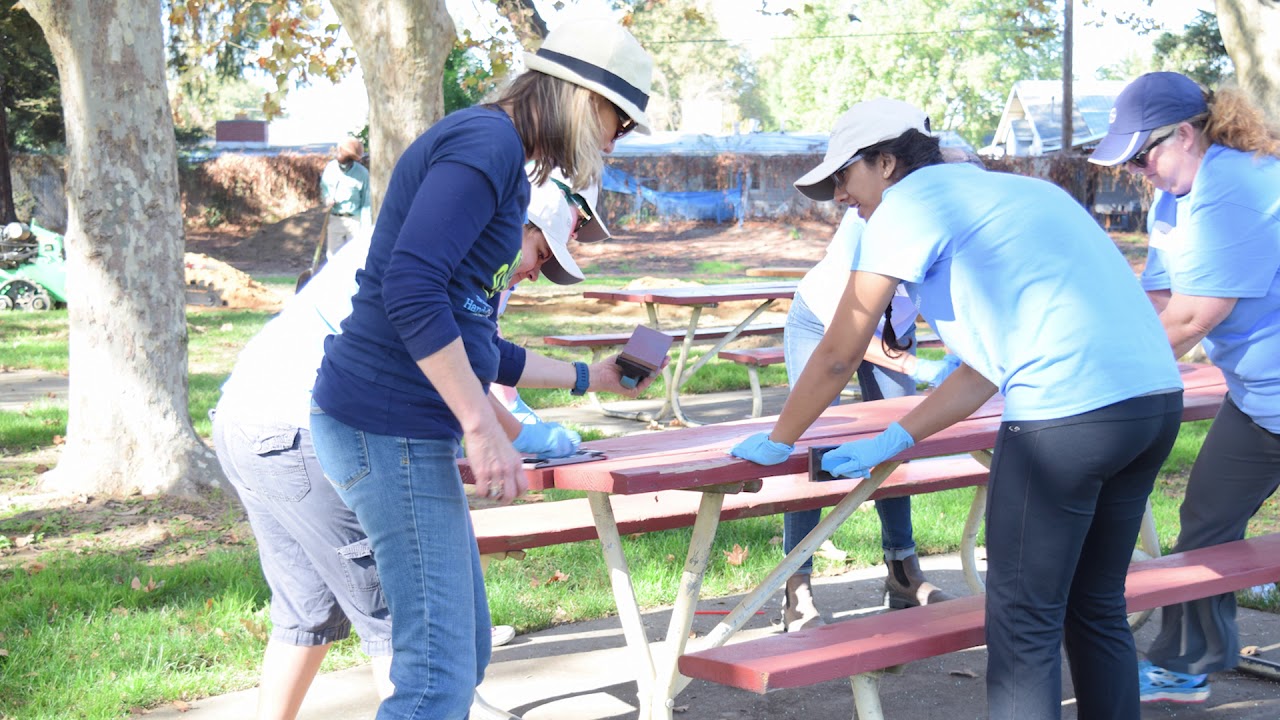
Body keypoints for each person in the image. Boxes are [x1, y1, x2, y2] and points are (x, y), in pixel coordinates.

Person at [730, 97, 1184, 719]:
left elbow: (841, 349)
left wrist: (781, 438)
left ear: (886, 163)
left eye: (843, 178)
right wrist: (899, 435)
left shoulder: (904, 208)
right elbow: (983, 368)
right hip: (1153, 406)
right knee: (1096, 606)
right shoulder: (1026, 195)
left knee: (1023, 626)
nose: (840, 197)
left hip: (1065, 420)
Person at [307, 17, 655, 719]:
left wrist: (595, 378)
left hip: (401, 432)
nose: (616, 141)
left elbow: (470, 336)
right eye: (620, 121)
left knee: (463, 655)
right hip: (385, 424)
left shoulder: (501, 153)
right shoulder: (486, 144)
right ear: (583, 98)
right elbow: (411, 287)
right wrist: (481, 424)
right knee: (436, 678)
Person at [212, 175, 590, 720]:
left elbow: (482, 355)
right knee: (412, 629)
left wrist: (583, 377)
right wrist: (517, 434)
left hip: (247, 421)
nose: (533, 272)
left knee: (306, 615)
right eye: (539, 253)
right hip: (309, 427)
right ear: (517, 224)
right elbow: (448, 361)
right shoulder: (455, 256)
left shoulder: (430, 235)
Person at [1089, 71, 1280, 705]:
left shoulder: (1237, 186)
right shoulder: (1173, 198)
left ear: (1188, 134)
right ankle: (1187, 666)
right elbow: (1161, 302)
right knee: (1207, 519)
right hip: (1259, 399)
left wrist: (1093, 377)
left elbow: (1197, 317)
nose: (1139, 168)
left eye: (1145, 153)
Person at [779, 206, 960, 631]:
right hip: (824, 324)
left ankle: (902, 572)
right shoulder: (864, 225)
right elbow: (846, 346)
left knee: (898, 440)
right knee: (813, 445)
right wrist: (917, 367)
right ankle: (797, 586)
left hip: (894, 327)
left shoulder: (953, 223)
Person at [319, 137, 372, 260]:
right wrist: (327, 200)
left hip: (355, 221)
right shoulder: (330, 169)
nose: (339, 156)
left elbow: (366, 203)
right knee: (333, 259)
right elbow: (324, 189)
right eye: (339, 152)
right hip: (335, 219)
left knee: (356, 259)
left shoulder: (362, 174)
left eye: (344, 154)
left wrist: (365, 230)